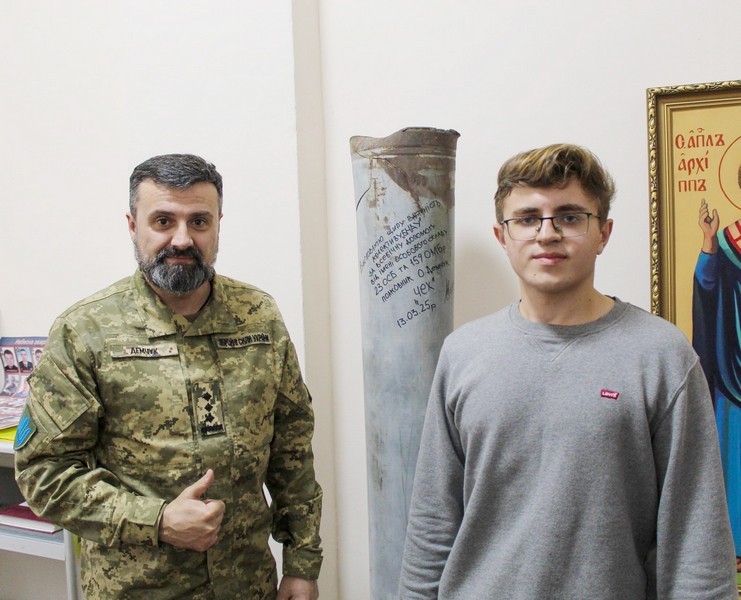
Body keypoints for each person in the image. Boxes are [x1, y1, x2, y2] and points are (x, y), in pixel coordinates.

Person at [398, 144, 737, 599]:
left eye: (570, 217)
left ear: (604, 233)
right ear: (502, 237)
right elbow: (432, 524)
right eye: (527, 219)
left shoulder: (661, 356)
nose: (547, 234)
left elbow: (696, 537)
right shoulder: (463, 354)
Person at [14, 154, 322, 599]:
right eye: (163, 221)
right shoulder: (86, 331)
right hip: (139, 589)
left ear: (218, 225)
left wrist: (302, 563)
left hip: (248, 585)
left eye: (199, 221)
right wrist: (156, 521)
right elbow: (43, 473)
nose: (182, 239)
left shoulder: (259, 316)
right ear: (132, 225)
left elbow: (292, 447)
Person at [693, 197, 741, 570]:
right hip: (733, 365)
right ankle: (736, 549)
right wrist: (708, 241)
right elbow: (706, 285)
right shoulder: (727, 241)